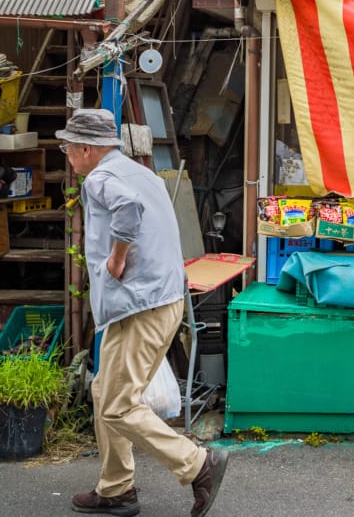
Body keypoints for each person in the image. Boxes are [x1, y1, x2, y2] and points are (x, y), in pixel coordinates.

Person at [59, 109, 228, 517]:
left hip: (141, 304)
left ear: (86, 148)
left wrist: (117, 259)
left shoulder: (100, 178)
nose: (66, 154)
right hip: (158, 299)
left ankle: (198, 464)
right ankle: (116, 489)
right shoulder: (140, 172)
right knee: (105, 392)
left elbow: (128, 211)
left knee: (118, 403)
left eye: (68, 147)